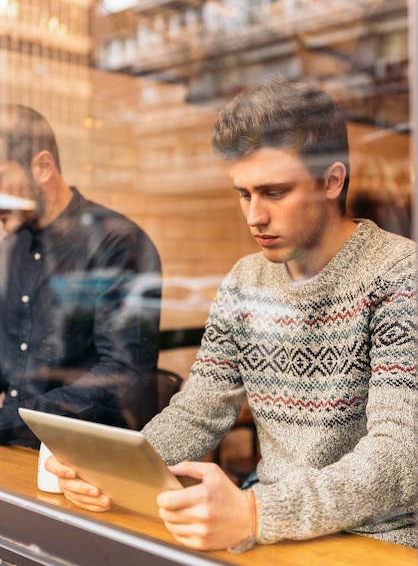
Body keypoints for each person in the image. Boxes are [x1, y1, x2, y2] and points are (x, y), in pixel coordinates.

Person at [47, 75, 416, 553]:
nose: (253, 217)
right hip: (272, 532)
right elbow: (199, 410)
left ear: (332, 180)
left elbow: (400, 455)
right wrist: (112, 473)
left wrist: (257, 512)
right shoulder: (245, 280)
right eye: (244, 194)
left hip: (379, 542)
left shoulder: (398, 274)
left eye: (274, 193)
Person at [0, 104, 162, 447]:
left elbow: (122, 375)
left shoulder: (116, 242)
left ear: (43, 166)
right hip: (14, 445)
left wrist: (11, 420)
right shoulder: (11, 247)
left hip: (86, 455)